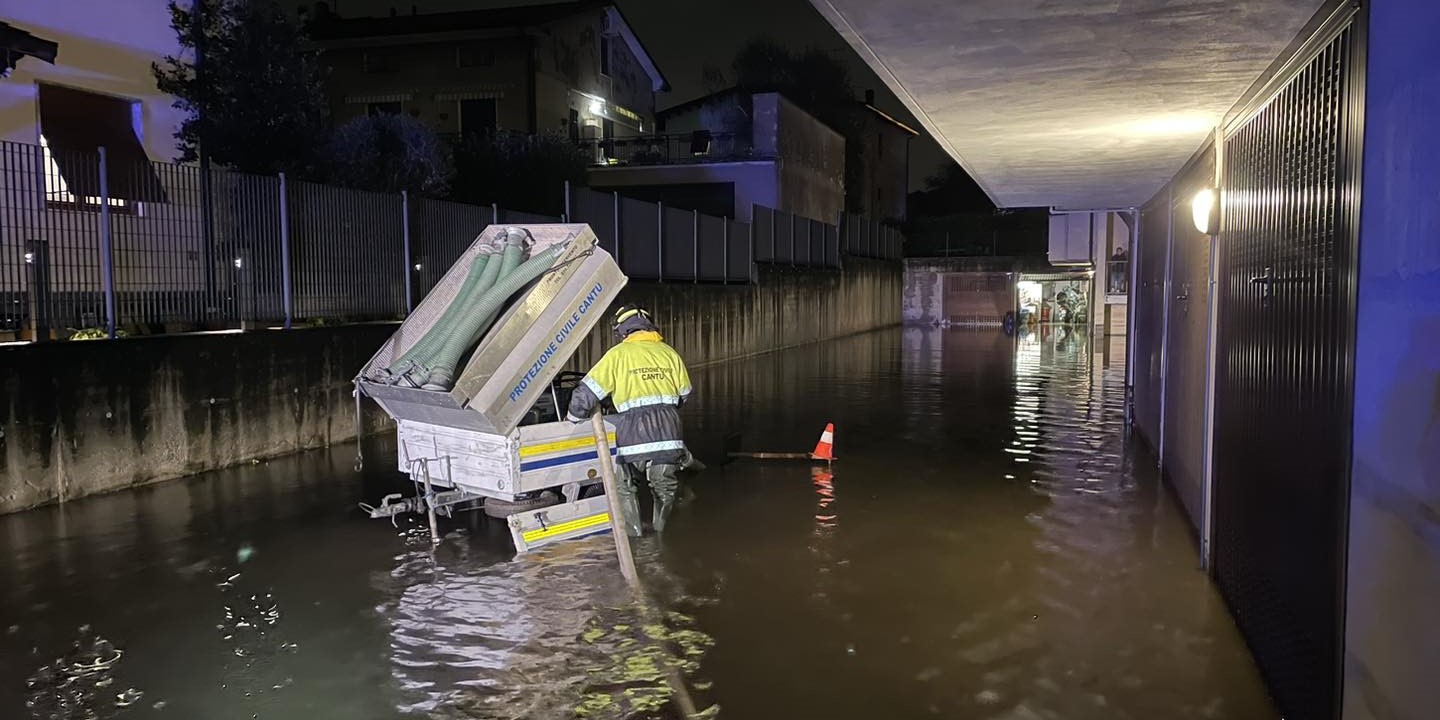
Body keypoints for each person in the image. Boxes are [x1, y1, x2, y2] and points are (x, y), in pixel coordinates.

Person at [566, 304, 693, 536]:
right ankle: (665, 540)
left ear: (623, 332)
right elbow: (684, 394)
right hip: (669, 435)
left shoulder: (616, 356)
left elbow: (584, 394)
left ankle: (634, 538)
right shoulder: (669, 353)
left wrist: (572, 419)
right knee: (664, 488)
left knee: (624, 488)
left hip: (631, 434)